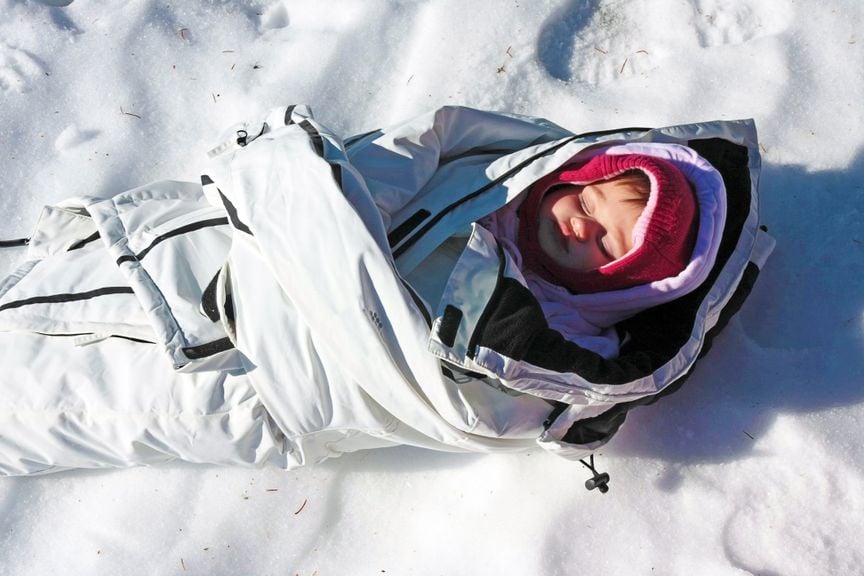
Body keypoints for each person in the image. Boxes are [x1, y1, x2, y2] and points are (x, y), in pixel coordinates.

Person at [0, 106, 765, 475]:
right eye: (594, 200)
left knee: (44, 396)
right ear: (575, 174)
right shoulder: (497, 171)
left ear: (614, 292)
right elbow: (418, 147)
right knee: (64, 269)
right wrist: (302, 181)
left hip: (248, 371)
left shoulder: (553, 337)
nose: (583, 223)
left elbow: (454, 378)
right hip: (213, 244)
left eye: (608, 246)